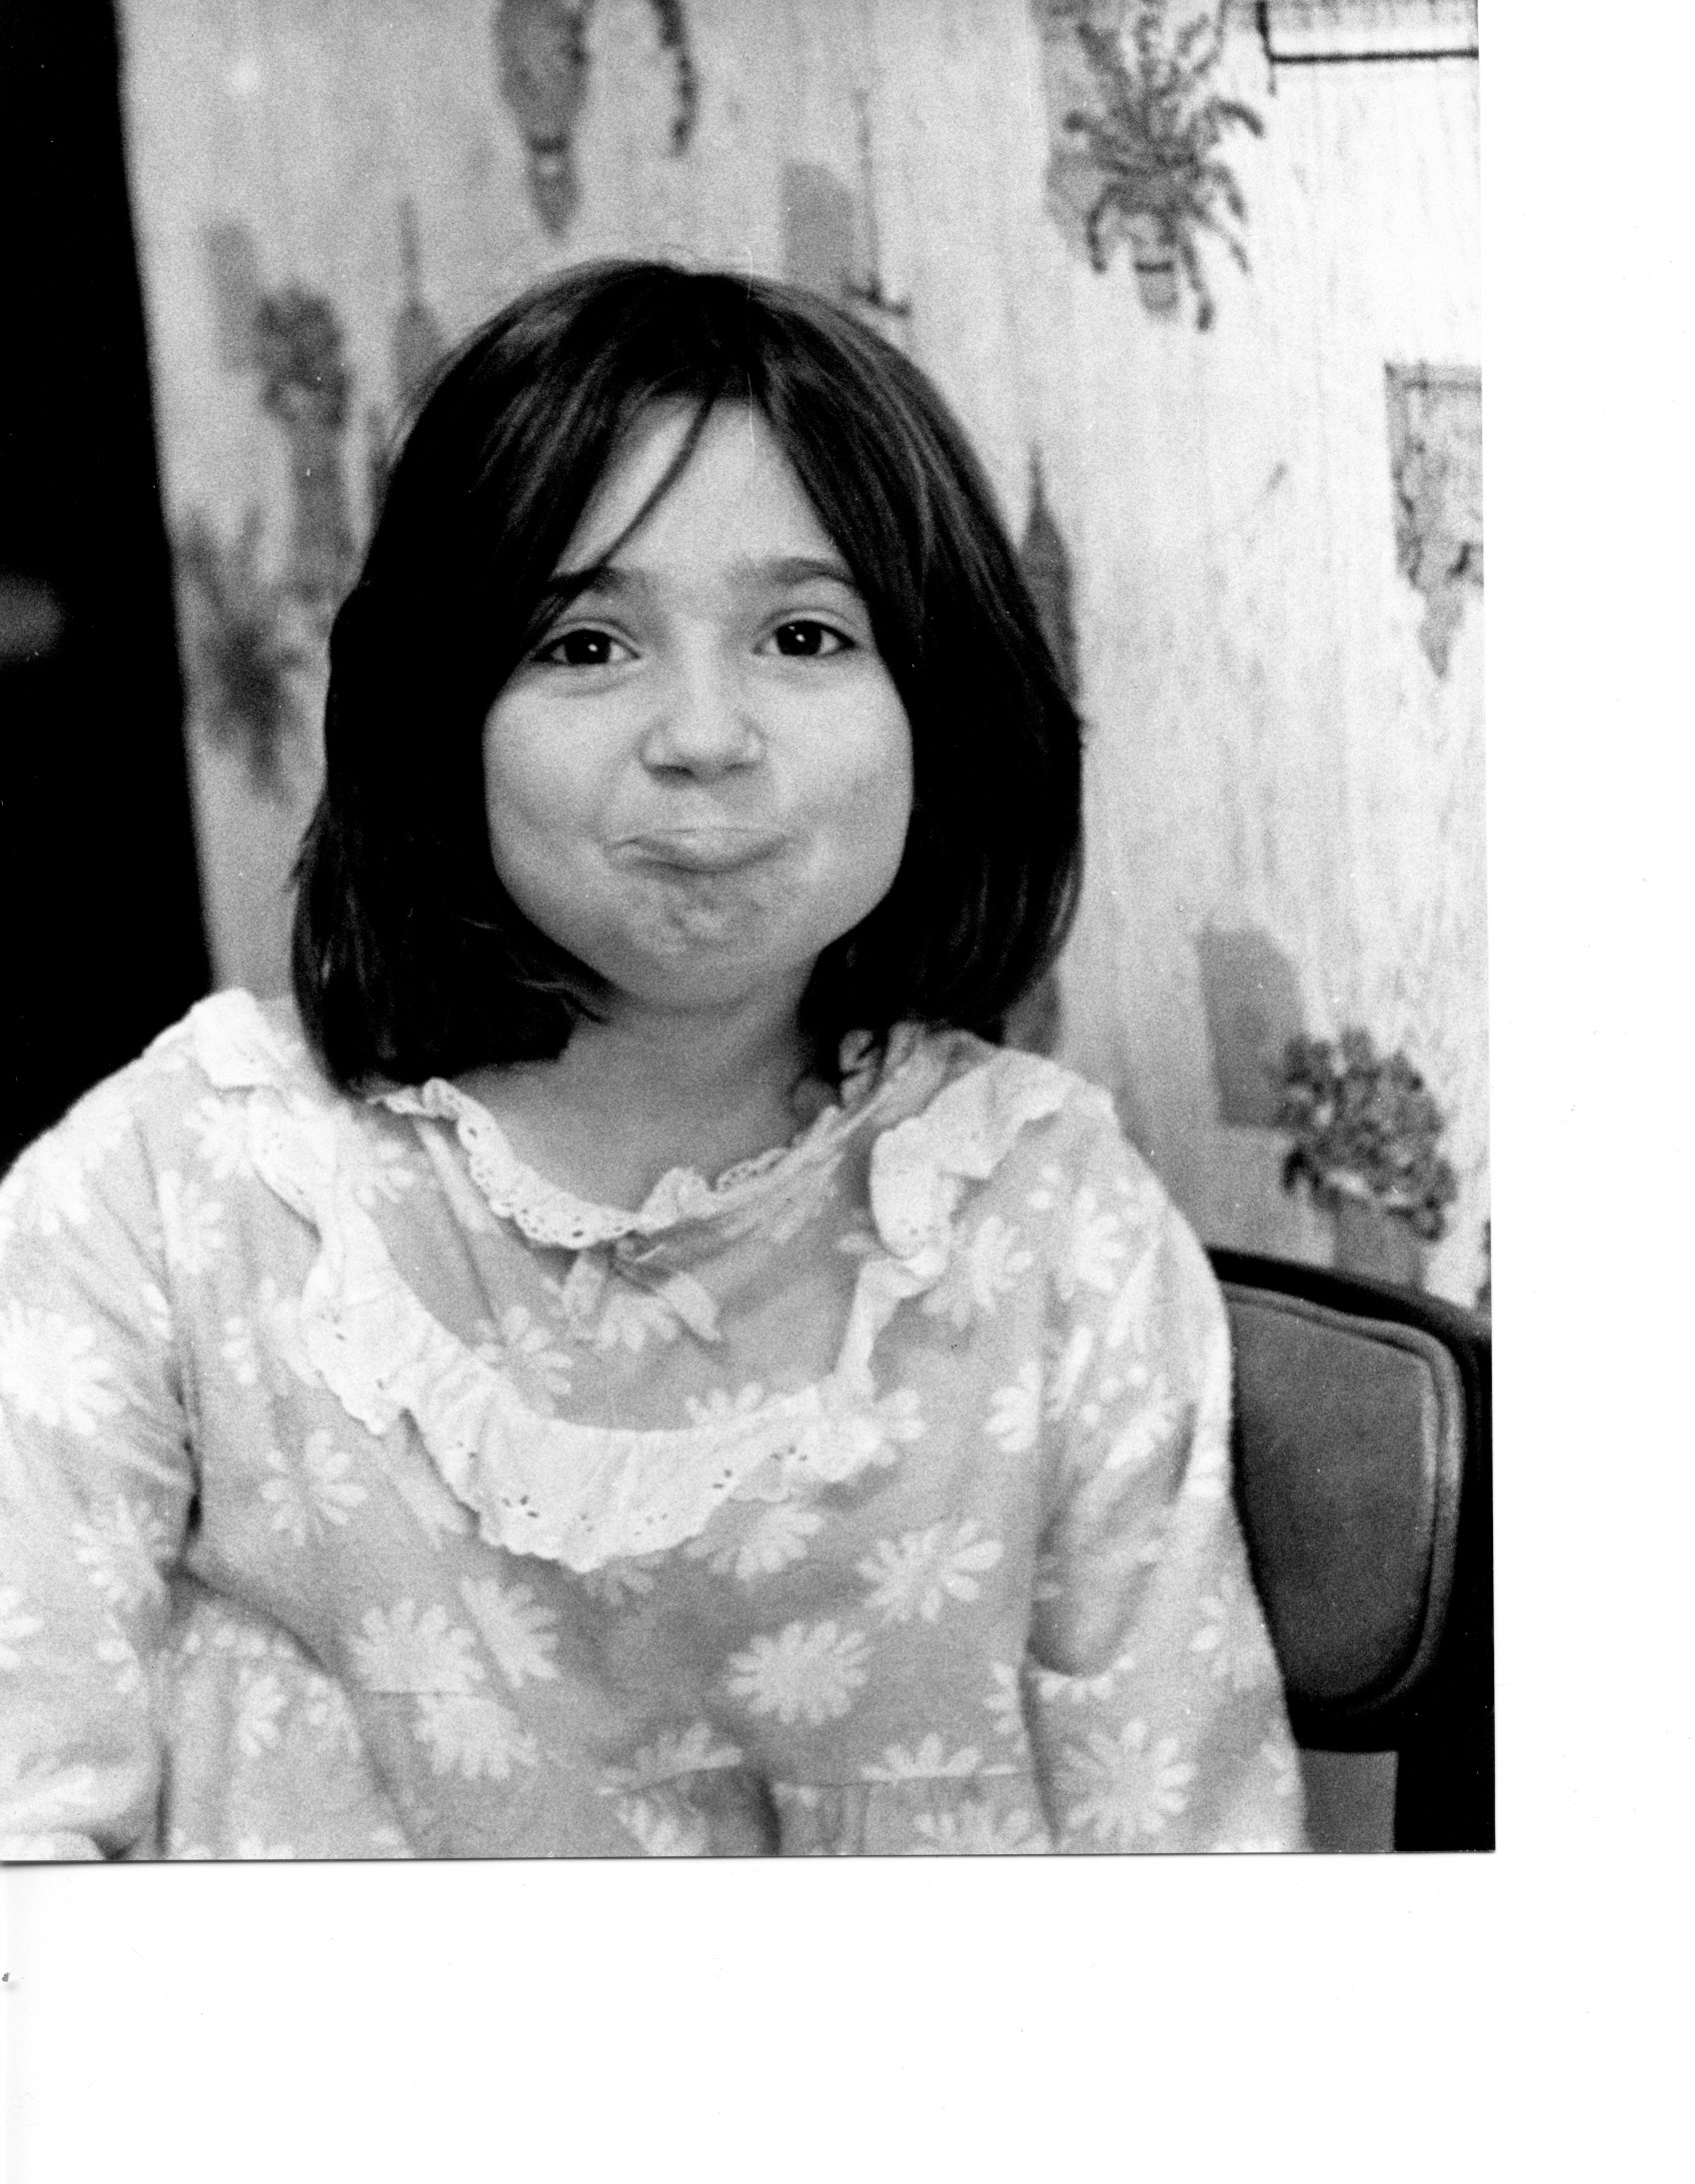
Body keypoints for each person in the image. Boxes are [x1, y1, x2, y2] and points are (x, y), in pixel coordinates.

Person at [0, 262, 1304, 1857]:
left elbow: (1205, 1888)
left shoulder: (1053, 1222)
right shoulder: (171, 1194)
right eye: (583, 644)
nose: (702, 733)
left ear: (940, 706)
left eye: (805, 634)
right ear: (439, 716)